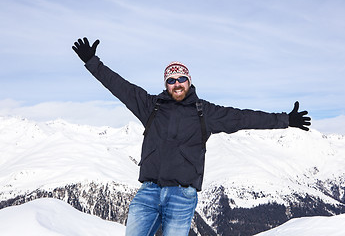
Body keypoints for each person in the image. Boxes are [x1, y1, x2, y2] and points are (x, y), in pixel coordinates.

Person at [72, 37, 311, 236]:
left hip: (181, 195)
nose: (177, 84)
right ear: (166, 84)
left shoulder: (204, 112)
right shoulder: (150, 107)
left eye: (181, 79)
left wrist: (285, 120)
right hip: (149, 191)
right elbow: (120, 87)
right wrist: (92, 62)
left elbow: (242, 118)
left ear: (189, 81)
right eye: (171, 80)